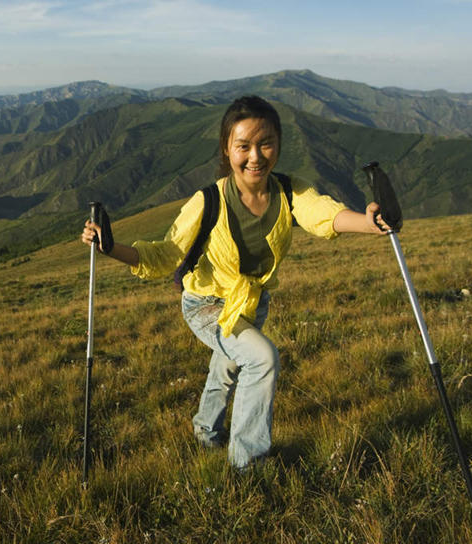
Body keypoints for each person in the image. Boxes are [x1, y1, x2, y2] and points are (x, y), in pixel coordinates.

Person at [81, 95, 390, 471]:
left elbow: (326, 215)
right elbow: (165, 254)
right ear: (227, 149)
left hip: (251, 303)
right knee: (262, 358)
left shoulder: (289, 191)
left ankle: (204, 430)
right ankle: (247, 466)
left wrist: (371, 223)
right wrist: (110, 248)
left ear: (278, 144)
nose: (255, 156)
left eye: (266, 143)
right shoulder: (208, 201)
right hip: (206, 305)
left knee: (227, 366)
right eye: (243, 146)